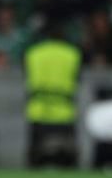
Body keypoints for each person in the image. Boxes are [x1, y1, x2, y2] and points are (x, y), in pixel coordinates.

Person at [24, 20, 82, 167]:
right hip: (64, 111)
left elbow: (28, 78)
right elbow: (77, 80)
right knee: (68, 158)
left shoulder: (33, 53)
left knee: (36, 158)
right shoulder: (72, 54)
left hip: (38, 111)